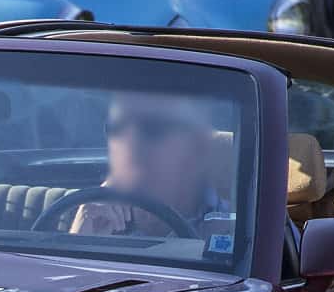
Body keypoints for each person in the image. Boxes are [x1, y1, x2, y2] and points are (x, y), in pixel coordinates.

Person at [68, 94, 231, 242]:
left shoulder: (238, 224)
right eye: (116, 128)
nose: (129, 142)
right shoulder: (97, 214)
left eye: (153, 128)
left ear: (194, 145)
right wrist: (81, 237)